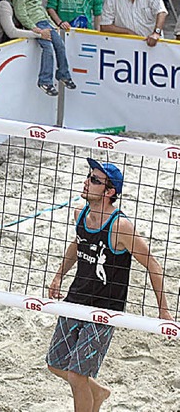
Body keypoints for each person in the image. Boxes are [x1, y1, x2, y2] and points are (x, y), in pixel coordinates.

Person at [47, 158, 173, 412]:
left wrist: (164, 310)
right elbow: (79, 242)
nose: (86, 182)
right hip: (76, 300)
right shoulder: (80, 213)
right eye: (89, 176)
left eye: (94, 180)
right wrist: (59, 274)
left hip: (104, 310)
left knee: (77, 376)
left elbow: (153, 265)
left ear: (109, 191)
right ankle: (100, 393)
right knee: (56, 364)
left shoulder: (120, 226)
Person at [13, 0, 76, 96]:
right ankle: (45, 80)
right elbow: (22, 14)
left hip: (46, 23)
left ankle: (63, 74)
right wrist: (33, 28)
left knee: (60, 45)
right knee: (48, 49)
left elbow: (43, 11)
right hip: (37, 24)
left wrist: (53, 25)